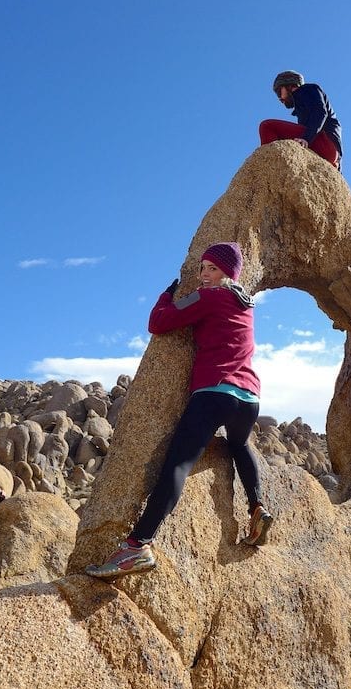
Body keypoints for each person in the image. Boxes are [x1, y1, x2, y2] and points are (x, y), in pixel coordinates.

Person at [86, 242, 273, 580]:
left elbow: (159, 322)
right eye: (202, 268)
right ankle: (257, 506)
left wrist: (166, 294)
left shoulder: (208, 297)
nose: (204, 275)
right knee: (239, 445)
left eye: (211, 269)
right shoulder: (246, 304)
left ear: (227, 273)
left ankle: (137, 546)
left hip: (215, 391)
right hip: (249, 398)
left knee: (177, 465)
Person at [259, 70, 342, 169]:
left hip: (325, 144)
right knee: (289, 142)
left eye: (279, 92)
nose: (280, 98)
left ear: (289, 86)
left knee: (267, 126)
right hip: (329, 155)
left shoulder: (306, 90)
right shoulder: (302, 109)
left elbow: (320, 112)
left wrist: (306, 138)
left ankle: (268, 166)